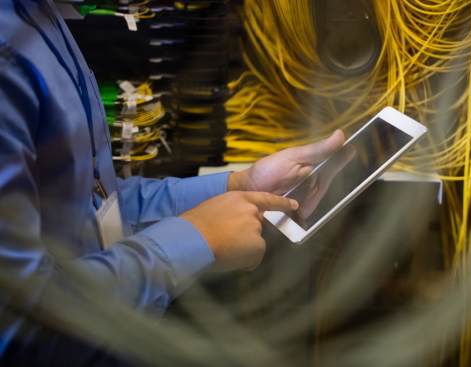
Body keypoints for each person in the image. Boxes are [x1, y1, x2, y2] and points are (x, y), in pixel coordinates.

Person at [0, 0, 345, 364]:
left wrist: (240, 185)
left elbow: (92, 199)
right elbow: (24, 328)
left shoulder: (42, 17)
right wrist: (195, 240)